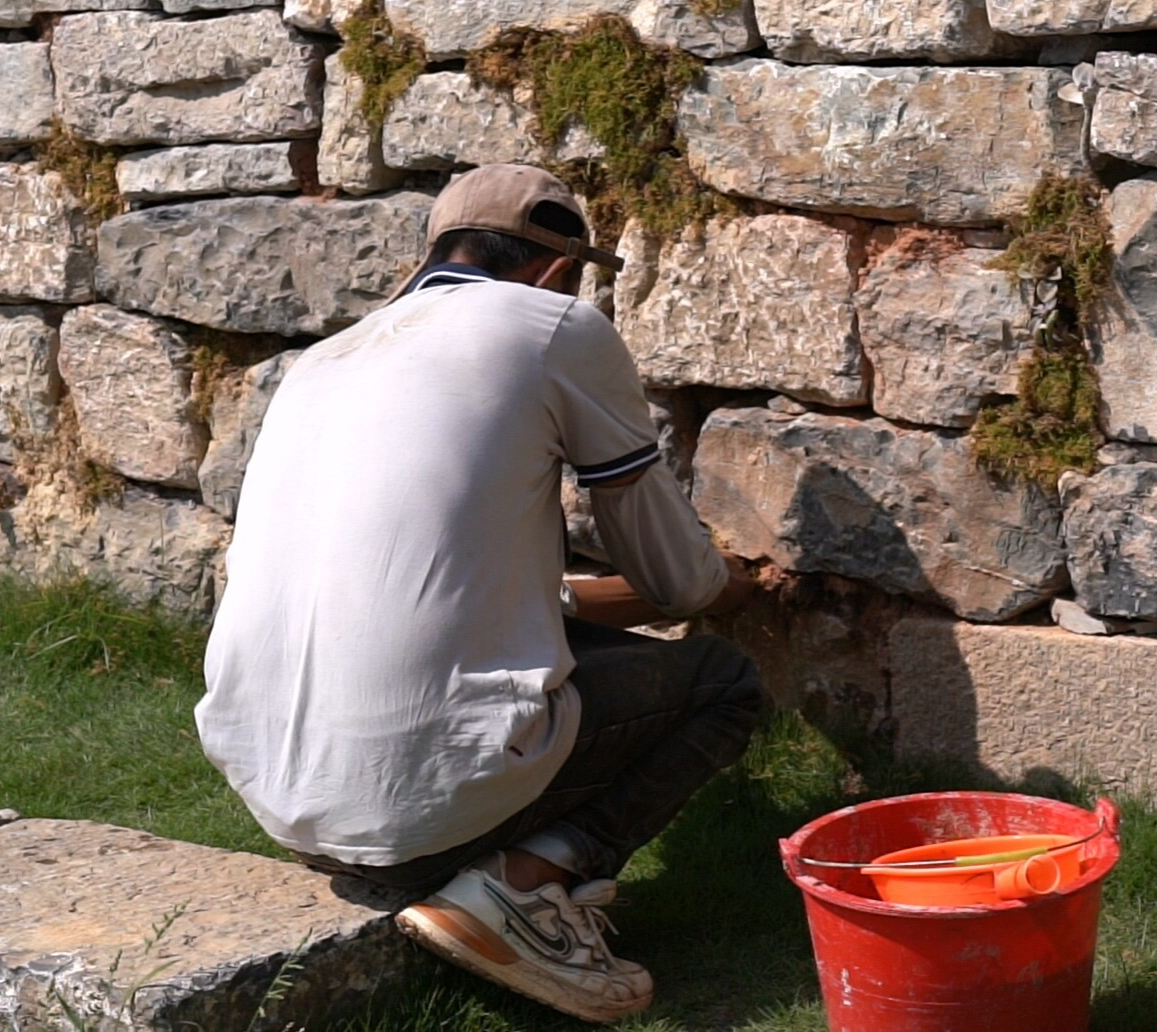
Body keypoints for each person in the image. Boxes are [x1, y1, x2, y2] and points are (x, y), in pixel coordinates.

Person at [195, 164, 765, 1025]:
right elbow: (678, 582)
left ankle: (443, 867)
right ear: (557, 268)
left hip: (279, 795)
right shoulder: (552, 325)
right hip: (417, 800)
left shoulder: (323, 359)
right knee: (723, 686)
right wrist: (735, 584)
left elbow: (451, 586)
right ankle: (523, 888)